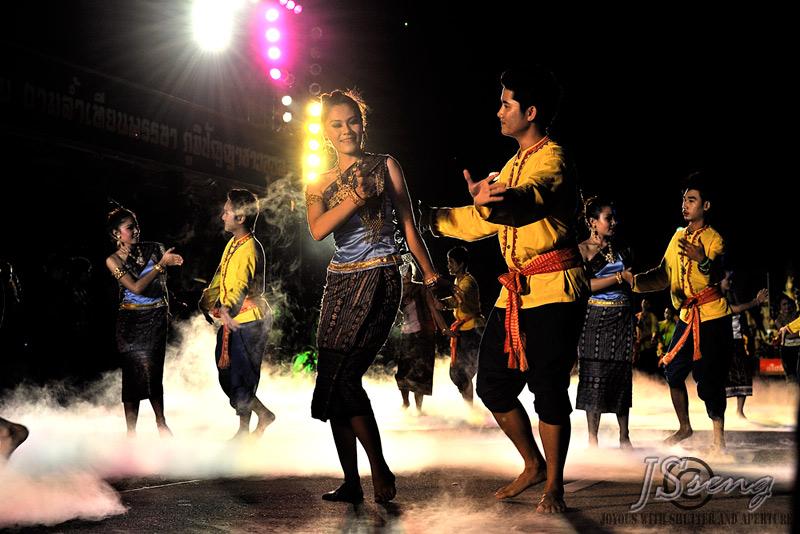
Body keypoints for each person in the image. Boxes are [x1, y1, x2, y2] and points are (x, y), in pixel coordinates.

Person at [420, 66, 588, 513]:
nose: (499, 112)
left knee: (549, 389)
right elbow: (480, 219)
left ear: (530, 112)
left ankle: (555, 484)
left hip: (554, 290)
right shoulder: (512, 165)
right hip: (514, 294)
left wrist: (497, 201)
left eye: (506, 104)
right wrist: (431, 218)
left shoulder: (554, 160)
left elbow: (528, 200)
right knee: (493, 384)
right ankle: (532, 464)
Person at [304, 89, 445, 504]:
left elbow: (408, 225)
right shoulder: (318, 183)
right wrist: (354, 197)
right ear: (325, 131)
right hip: (338, 282)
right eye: (337, 124)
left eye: (353, 121)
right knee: (330, 380)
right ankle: (351, 481)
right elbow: (317, 230)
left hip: (381, 276)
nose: (347, 130)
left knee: (346, 377)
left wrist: (433, 274)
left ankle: (379, 469)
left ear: (362, 123)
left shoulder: (386, 166)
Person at [631, 173, 732, 451]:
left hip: (712, 317)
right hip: (686, 317)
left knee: (709, 379)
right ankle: (684, 427)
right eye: (684, 200)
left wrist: (702, 261)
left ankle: (718, 440)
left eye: (692, 200)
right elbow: (664, 275)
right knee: (673, 372)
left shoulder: (715, 240)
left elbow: (718, 276)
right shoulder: (677, 236)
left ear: (706, 206)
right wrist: (635, 282)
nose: (685, 205)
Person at [199, 190, 275, 440]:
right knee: (229, 376)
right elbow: (221, 276)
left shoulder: (250, 249)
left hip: (249, 320)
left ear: (241, 217)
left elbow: (240, 286)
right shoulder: (234, 244)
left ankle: (249, 426)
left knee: (240, 376)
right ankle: (260, 416)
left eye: (227, 211)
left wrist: (227, 310)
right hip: (236, 319)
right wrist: (208, 300)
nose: (223, 216)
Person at [105, 207, 183, 436]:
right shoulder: (112, 260)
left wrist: (167, 307)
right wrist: (162, 265)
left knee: (152, 370)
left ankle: (161, 423)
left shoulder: (154, 248)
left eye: (136, 225)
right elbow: (136, 287)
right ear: (117, 233)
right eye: (130, 227)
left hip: (155, 319)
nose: (136, 230)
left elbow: (163, 284)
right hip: (130, 322)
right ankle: (131, 433)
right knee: (131, 374)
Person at [575, 197, 635, 449]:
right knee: (594, 375)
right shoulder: (582, 250)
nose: (613, 222)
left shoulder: (621, 248)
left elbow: (633, 282)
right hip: (596, 319)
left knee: (621, 375)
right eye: (608, 218)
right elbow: (584, 286)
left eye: (613, 217)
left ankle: (624, 436)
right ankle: (592, 438)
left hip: (622, 318)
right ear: (592, 222)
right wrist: (619, 277)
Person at [395, 262, 450, 413]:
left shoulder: (421, 288)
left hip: (422, 334)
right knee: (402, 373)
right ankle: (406, 403)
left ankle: (419, 409)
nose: (404, 276)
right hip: (406, 334)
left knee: (420, 373)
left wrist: (444, 328)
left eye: (407, 273)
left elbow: (433, 309)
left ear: (411, 274)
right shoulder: (397, 292)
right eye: (402, 273)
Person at [440, 246, 486, 405]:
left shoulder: (467, 282)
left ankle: (471, 409)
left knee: (465, 372)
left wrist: (441, 303)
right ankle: (469, 407)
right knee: (457, 373)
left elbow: (458, 299)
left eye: (451, 262)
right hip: (463, 330)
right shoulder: (458, 280)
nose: (449, 266)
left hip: (473, 330)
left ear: (460, 264)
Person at [720, 270, 767, 418]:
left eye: (731, 279)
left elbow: (740, 313)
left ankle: (740, 411)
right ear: (719, 281)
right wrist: (756, 301)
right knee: (722, 378)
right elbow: (735, 309)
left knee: (743, 375)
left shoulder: (732, 295)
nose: (730, 282)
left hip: (738, 341)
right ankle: (719, 413)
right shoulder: (716, 299)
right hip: (722, 343)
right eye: (727, 279)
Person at [774, 294, 800, 383]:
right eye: (784, 304)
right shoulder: (778, 319)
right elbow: (784, 334)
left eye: (788, 304)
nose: (787, 306)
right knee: (789, 374)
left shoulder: (797, 315)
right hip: (786, 349)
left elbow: (787, 334)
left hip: (798, 348)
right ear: (780, 306)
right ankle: (792, 392)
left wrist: (785, 333)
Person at [635, 299, 659, 374]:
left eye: (646, 302)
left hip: (648, 344)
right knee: (638, 365)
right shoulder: (637, 315)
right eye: (643, 301)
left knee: (648, 365)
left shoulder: (652, 316)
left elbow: (654, 329)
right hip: (638, 345)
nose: (644, 303)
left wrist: (653, 337)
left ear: (649, 305)